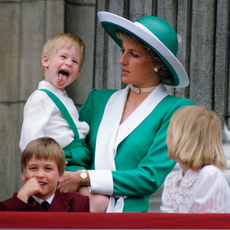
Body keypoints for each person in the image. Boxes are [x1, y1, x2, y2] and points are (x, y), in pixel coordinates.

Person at [58, 11, 193, 213]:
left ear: (158, 63)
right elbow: (73, 151)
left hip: (130, 220)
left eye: (134, 54)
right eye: (123, 50)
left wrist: (85, 178)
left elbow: (149, 177)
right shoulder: (98, 99)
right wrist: (77, 181)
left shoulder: (176, 110)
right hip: (79, 211)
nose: (122, 60)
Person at [19, 33, 109, 212]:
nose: (69, 63)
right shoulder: (41, 98)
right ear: (46, 61)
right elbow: (29, 140)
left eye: (75, 62)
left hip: (77, 164)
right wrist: (42, 170)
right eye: (63, 57)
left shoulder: (63, 98)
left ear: (78, 73)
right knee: (98, 203)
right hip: (63, 164)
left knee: (98, 202)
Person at [160, 106, 230, 213]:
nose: (166, 139)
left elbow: (208, 224)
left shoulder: (209, 175)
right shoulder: (172, 181)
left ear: (182, 139)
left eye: (170, 133)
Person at [0, 137, 89, 212]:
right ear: (23, 174)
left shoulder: (78, 204)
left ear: (61, 175)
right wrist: (21, 198)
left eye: (48, 168)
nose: (40, 175)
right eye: (33, 168)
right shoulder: (5, 207)